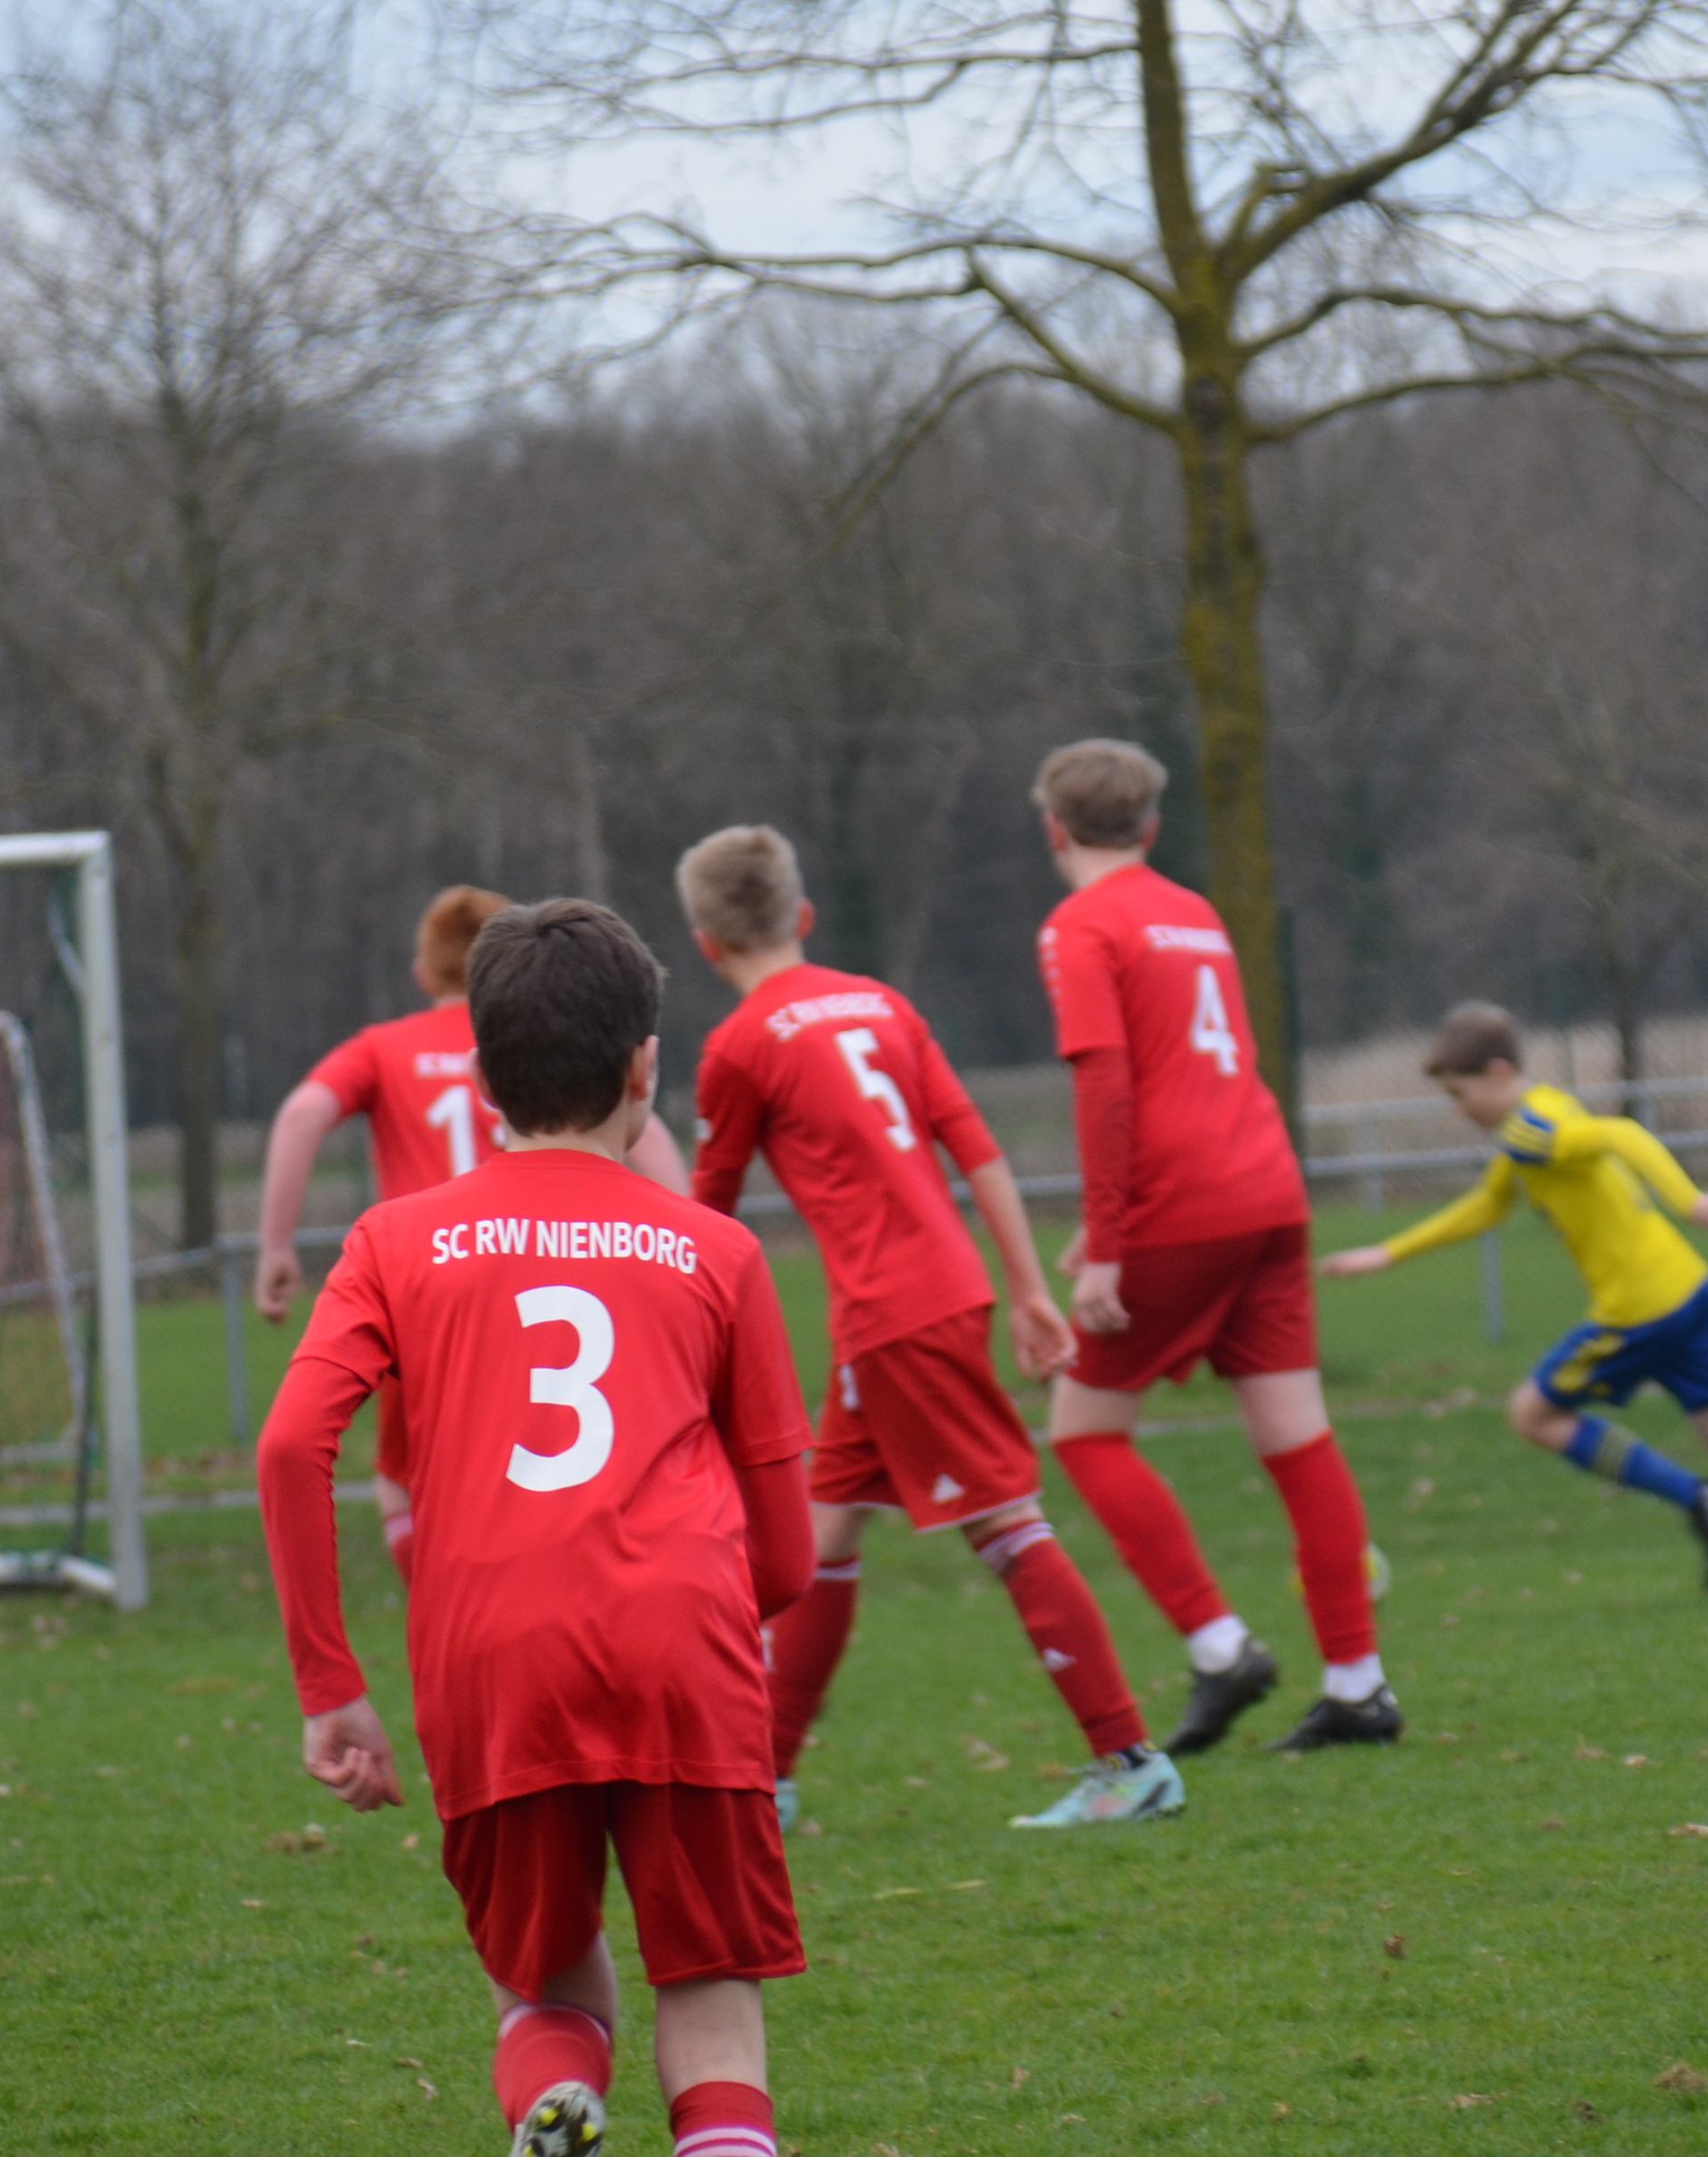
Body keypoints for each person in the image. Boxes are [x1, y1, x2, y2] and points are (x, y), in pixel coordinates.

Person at [260, 898, 813, 2157]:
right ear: (645, 1069)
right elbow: (785, 1551)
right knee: (711, 1995)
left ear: (480, 1074)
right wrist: (725, 1617)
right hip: (681, 1644)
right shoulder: (716, 1251)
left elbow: (292, 1445)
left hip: (494, 1655)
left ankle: (559, 2101)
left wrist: (330, 1682)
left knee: (548, 1979)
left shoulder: (393, 1241)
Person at [676, 825, 1180, 1828]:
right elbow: (976, 1147)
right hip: (933, 1293)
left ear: (705, 945)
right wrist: (1026, 1287)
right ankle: (766, 1781)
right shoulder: (881, 1003)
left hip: (893, 1312)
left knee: (1005, 1523)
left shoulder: (740, 1045)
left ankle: (1129, 1758)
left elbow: (708, 1216)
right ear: (804, 914)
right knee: (823, 1532)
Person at [1029, 738, 1396, 1755]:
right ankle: (1359, 1686)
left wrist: (1109, 1242)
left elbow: (1108, 1088)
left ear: (1054, 830)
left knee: (1085, 1434)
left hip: (1181, 1202)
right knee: (1298, 1436)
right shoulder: (1194, 911)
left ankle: (1221, 1646)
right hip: (1267, 1189)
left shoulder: (1079, 924)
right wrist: (1104, 1229)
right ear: (1151, 828)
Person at [1321, 1003, 1708, 1595]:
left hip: (1640, 1311)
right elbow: (1488, 1204)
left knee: (1533, 1413)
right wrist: (1388, 1253)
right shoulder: (1536, 1120)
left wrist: (1692, 1202)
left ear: (1499, 1073)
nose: (1458, 1109)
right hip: (1687, 1287)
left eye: (1460, 1092)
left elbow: (1622, 1133)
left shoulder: (1535, 1130)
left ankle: (1702, 1498)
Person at [255, 885, 690, 1582]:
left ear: (423, 972)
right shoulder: (541, 1034)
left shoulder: (384, 1047)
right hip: (555, 1269)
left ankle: (449, 1598)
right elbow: (653, 1137)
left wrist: (277, 1246)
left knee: (404, 1483)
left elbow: (304, 1113)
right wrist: (692, 1240)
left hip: (428, 1288)